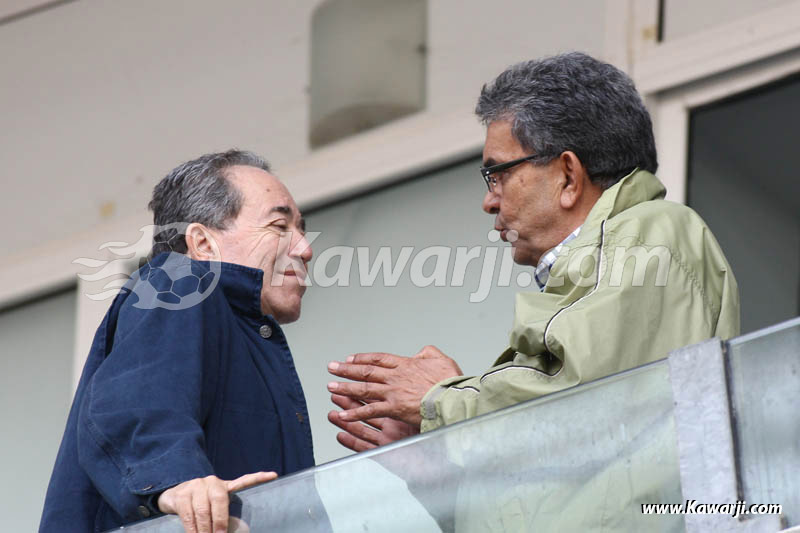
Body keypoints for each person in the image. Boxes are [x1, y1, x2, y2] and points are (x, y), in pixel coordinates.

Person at [326, 52, 740, 450]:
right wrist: (432, 465)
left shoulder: (654, 230)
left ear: (567, 176)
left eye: (496, 174)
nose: (489, 201)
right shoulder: (610, 265)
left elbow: (578, 400)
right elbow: (561, 475)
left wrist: (441, 400)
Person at [40, 150, 324, 533]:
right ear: (203, 245)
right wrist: (175, 480)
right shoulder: (180, 282)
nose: (305, 249)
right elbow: (139, 403)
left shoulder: (245, 336)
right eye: (279, 226)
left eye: (302, 230)